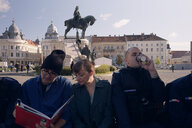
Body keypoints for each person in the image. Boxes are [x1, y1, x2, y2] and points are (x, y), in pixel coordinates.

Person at [111, 47, 166, 128]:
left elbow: (160, 97)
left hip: (152, 121)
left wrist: (153, 71)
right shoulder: (119, 75)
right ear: (126, 61)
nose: (138, 56)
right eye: (134, 54)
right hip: (132, 123)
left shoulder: (148, 72)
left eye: (140, 54)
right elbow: (119, 105)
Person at [18, 50, 72, 128]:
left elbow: (68, 112)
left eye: (53, 73)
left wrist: (55, 126)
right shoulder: (28, 85)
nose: (47, 76)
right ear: (41, 69)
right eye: (45, 71)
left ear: (58, 75)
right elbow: (21, 107)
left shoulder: (65, 85)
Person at [70, 59, 113, 128]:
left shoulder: (105, 87)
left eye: (81, 75)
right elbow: (74, 116)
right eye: (76, 75)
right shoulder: (75, 89)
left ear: (91, 73)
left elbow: (109, 113)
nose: (77, 78)